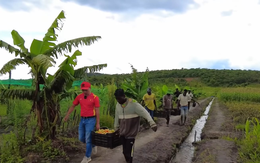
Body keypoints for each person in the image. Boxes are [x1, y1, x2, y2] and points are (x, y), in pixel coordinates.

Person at [114, 89, 157, 163]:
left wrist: (152, 123)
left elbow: (145, 112)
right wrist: (116, 127)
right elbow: (117, 116)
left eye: (119, 99)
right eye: (117, 99)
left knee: (129, 153)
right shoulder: (118, 105)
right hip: (122, 133)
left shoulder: (133, 103)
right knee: (124, 152)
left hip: (131, 133)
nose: (118, 101)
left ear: (124, 96)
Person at [64, 81, 100, 163]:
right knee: (81, 138)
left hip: (91, 119)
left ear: (90, 88)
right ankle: (93, 144)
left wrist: (98, 123)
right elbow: (73, 106)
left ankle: (87, 157)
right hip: (82, 119)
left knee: (88, 138)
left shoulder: (95, 98)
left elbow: (97, 111)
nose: (84, 92)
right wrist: (67, 115)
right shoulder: (79, 97)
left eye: (86, 90)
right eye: (83, 90)